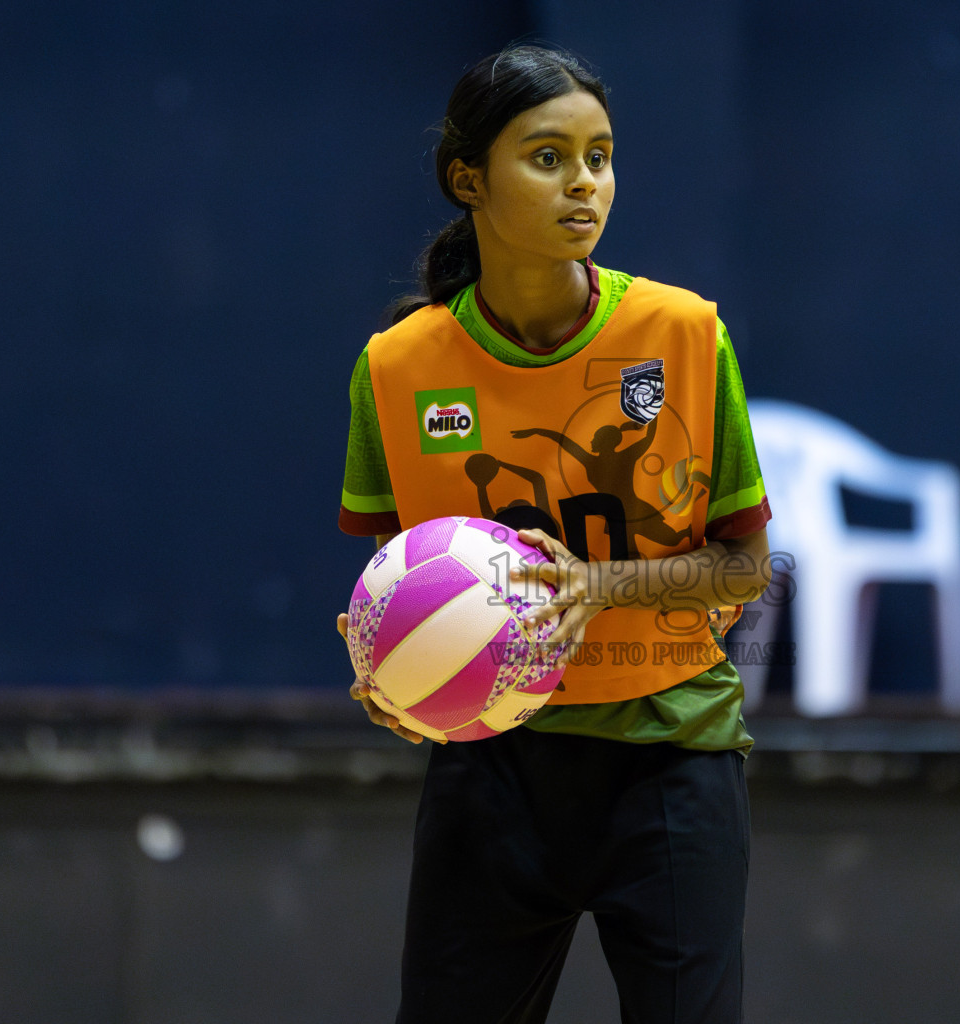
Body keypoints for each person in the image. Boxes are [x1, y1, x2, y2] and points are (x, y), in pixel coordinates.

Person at [335, 45, 773, 1024]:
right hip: (489, 773)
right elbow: (397, 572)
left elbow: (745, 567)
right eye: (547, 156)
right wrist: (386, 657)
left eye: (600, 155)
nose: (584, 182)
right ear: (467, 179)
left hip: (668, 762)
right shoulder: (397, 367)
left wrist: (603, 586)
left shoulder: (682, 334)